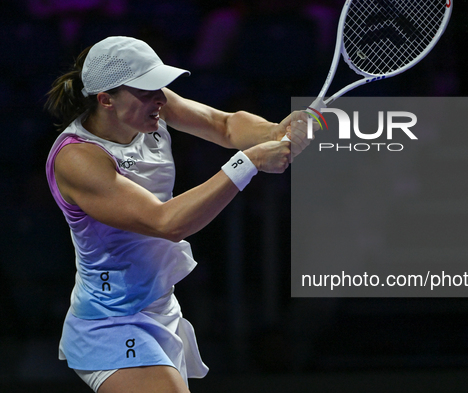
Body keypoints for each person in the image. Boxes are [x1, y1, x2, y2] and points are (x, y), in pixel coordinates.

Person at [45, 36, 310, 393]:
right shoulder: (78, 159)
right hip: (112, 322)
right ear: (105, 99)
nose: (159, 97)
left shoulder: (151, 106)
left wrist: (276, 131)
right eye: (146, 90)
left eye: (160, 86)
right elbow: (166, 223)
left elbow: (225, 125)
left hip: (159, 305)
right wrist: (250, 162)